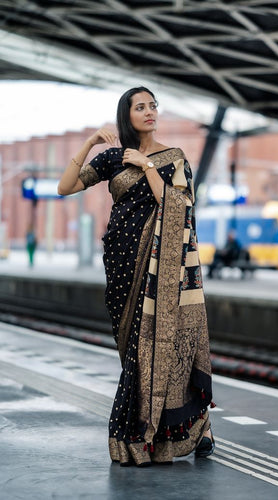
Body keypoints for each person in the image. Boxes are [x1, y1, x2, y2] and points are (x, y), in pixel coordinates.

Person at [58, 87, 214, 467]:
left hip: (160, 268)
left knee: (167, 342)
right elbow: (65, 187)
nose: (149, 112)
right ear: (125, 115)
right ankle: (155, 428)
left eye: (152, 106)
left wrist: (146, 166)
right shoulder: (113, 158)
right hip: (121, 263)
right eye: (140, 107)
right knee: (135, 351)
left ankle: (194, 427)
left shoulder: (173, 158)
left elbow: (179, 206)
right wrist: (92, 142)